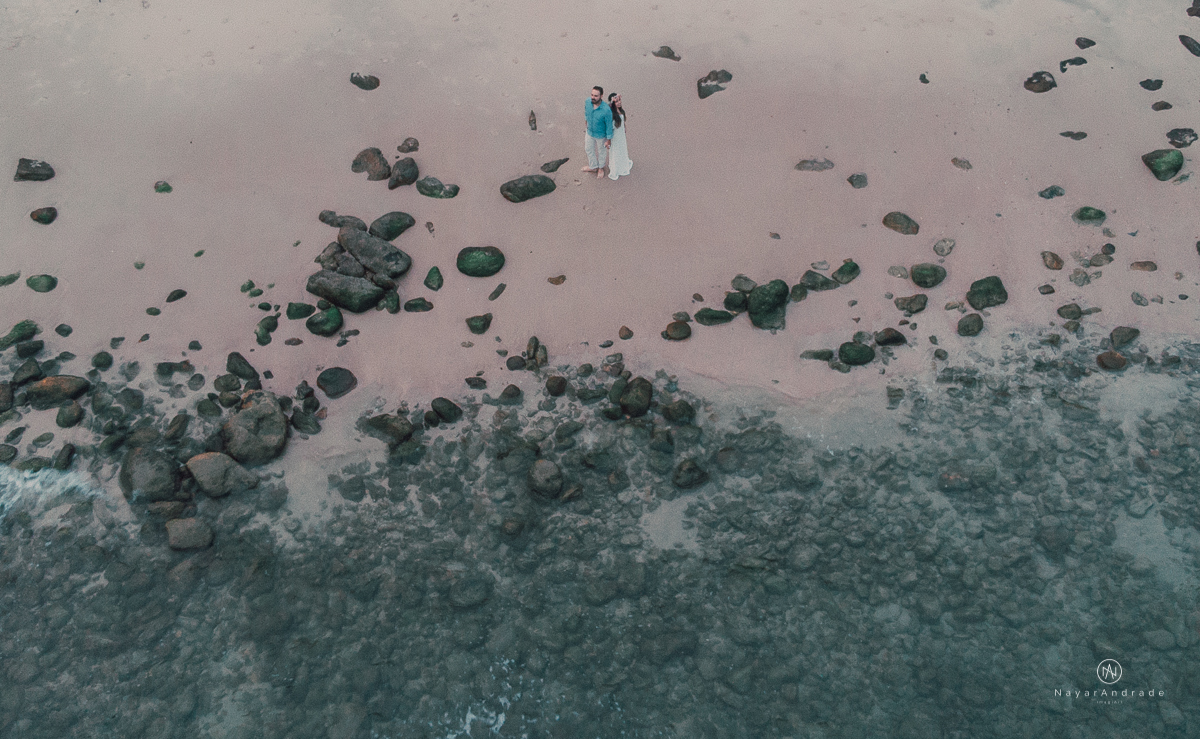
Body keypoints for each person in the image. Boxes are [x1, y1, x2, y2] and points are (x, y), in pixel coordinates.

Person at [582, 86, 612, 179]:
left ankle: (601, 168)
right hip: (589, 132)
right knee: (588, 149)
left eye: (596, 96)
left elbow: (609, 126)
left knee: (601, 152)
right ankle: (593, 166)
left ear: (601, 96)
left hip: (601, 135)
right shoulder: (587, 102)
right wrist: (586, 120)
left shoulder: (606, 110)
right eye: (592, 95)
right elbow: (586, 112)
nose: (593, 97)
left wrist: (609, 140)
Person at [607, 92, 632, 180]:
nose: (619, 102)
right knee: (616, 150)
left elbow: (622, 121)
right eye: (616, 101)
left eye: (619, 100)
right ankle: (616, 167)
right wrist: (609, 140)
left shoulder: (621, 111)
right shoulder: (611, 114)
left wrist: (624, 127)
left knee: (622, 149)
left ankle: (622, 164)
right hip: (615, 136)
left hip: (621, 135)